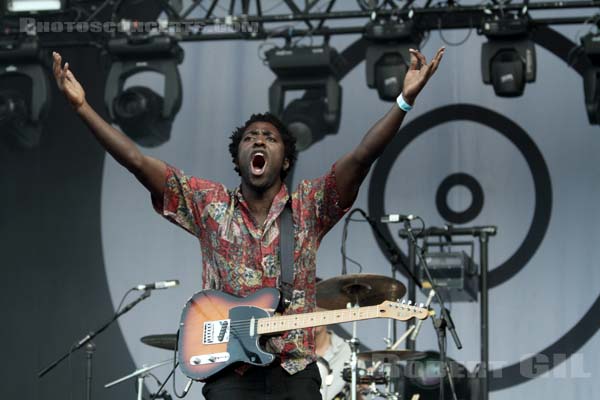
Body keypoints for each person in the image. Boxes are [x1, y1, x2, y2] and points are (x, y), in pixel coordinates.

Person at [51, 46, 444, 400]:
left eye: (270, 138)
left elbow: (361, 156)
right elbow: (137, 162)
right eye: (250, 138)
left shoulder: (310, 205)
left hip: (294, 370)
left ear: (285, 160)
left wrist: (404, 100)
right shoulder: (209, 204)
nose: (259, 141)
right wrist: (83, 108)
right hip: (229, 371)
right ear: (238, 157)